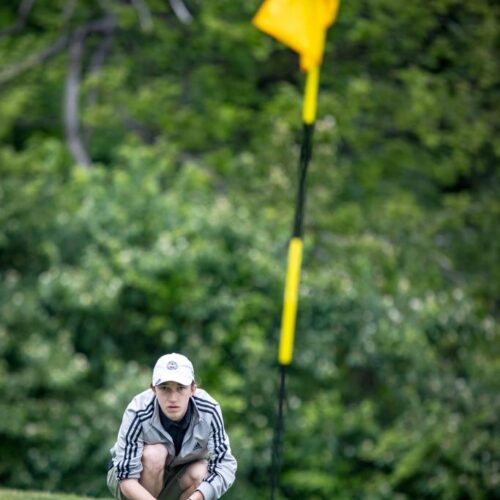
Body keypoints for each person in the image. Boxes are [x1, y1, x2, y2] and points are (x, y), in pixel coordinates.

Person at [107, 353, 237, 500]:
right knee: (154, 454)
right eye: (164, 388)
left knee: (202, 472)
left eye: (181, 388)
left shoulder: (209, 410)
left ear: (193, 389)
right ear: (153, 389)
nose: (173, 398)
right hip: (129, 479)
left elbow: (224, 465)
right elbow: (126, 479)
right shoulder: (137, 410)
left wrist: (196, 498)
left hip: (177, 475)